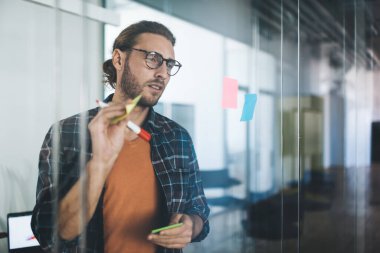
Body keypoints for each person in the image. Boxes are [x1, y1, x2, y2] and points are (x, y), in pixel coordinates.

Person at [31, 20, 210, 253]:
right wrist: (100, 164)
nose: (163, 73)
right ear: (118, 59)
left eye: (169, 64)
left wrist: (191, 226)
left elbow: (199, 209)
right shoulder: (67, 133)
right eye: (153, 58)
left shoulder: (177, 137)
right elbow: (48, 233)